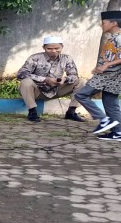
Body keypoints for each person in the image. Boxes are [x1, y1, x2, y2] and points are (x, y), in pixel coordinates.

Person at [74, 11, 121, 140]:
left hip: (109, 75)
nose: (102, 25)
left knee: (81, 94)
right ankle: (118, 132)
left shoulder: (119, 38)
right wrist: (99, 66)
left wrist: (106, 66)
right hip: (112, 76)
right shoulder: (113, 37)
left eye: (103, 23)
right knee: (111, 104)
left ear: (114, 23)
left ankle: (103, 120)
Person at [17, 36, 85, 122]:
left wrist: (64, 79)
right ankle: (32, 112)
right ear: (44, 47)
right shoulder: (35, 58)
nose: (53, 51)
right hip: (36, 91)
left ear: (62, 47)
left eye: (57, 48)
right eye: (49, 48)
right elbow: (21, 74)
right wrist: (45, 79)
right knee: (26, 82)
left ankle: (71, 112)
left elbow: (74, 75)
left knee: (81, 82)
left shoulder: (66, 58)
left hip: (56, 89)